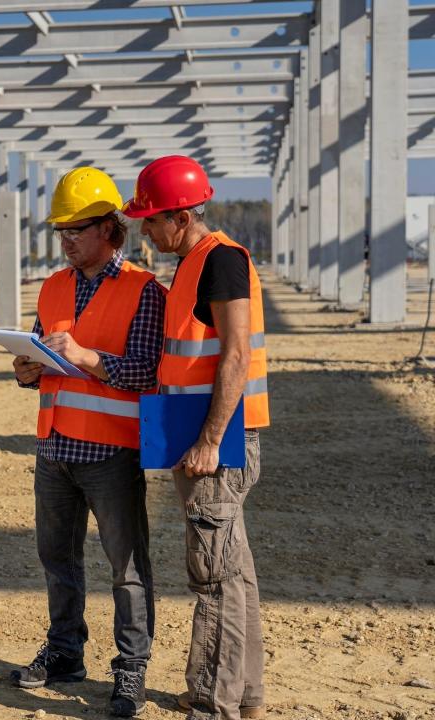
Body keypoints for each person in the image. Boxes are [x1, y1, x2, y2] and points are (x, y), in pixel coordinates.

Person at [10, 167, 165, 717]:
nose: (67, 238)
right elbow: (45, 360)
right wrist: (28, 371)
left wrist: (87, 359)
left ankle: (130, 671)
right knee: (57, 559)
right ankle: (65, 653)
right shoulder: (52, 286)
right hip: (55, 448)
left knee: (126, 568)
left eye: (77, 228)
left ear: (110, 229)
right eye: (61, 230)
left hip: (111, 453)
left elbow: (148, 372)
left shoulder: (145, 291)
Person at [122, 155, 269, 720]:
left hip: (215, 443)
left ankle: (213, 700)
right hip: (197, 437)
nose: (144, 230)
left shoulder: (221, 261)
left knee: (213, 576)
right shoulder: (191, 263)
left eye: (151, 220)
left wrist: (209, 440)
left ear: (180, 216)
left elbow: (234, 354)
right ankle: (245, 693)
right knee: (234, 572)